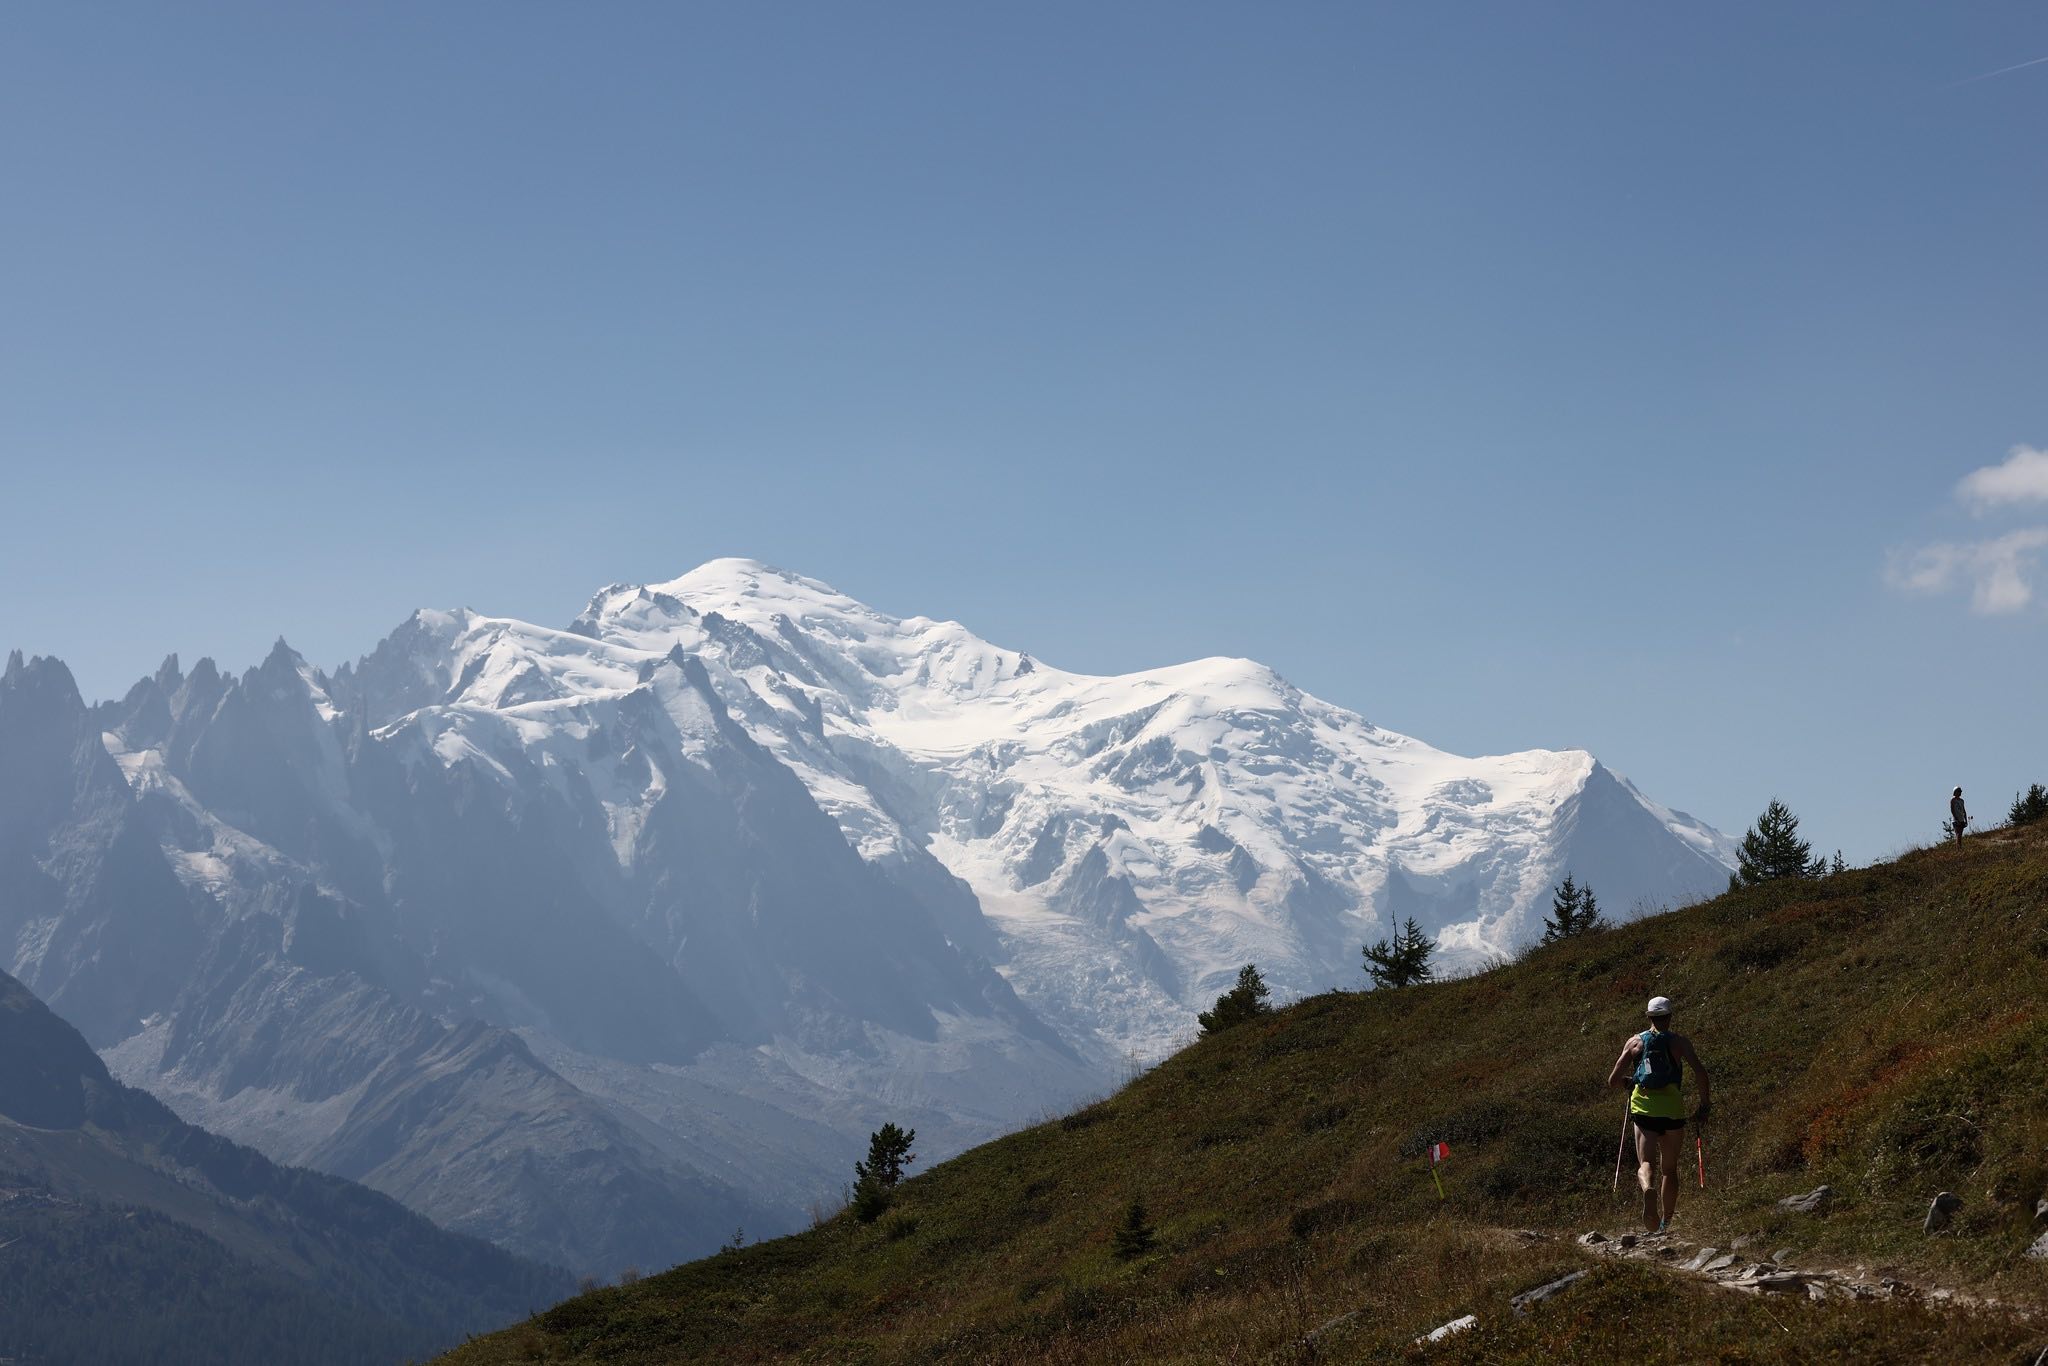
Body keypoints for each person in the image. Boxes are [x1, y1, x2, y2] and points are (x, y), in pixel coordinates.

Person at [1606, 995, 1710, 1233]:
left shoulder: (1634, 1042)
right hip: (1673, 1110)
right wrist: (1705, 1105)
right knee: (1670, 1169)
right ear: (1670, 1016)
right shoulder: (1680, 1043)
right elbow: (1701, 1073)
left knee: (1646, 1163)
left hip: (1644, 1108)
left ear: (1649, 1017)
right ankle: (1666, 1222)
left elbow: (1613, 1081)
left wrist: (1630, 1082)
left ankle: (1647, 1189)